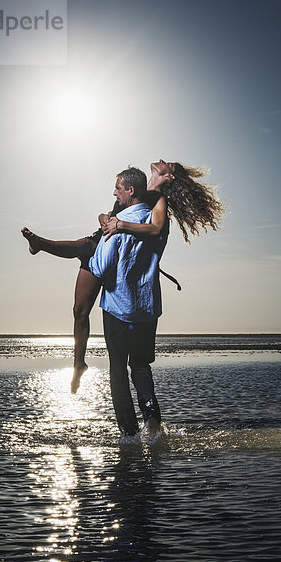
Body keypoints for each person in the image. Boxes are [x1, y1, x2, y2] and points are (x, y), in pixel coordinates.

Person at [21, 159, 225, 393]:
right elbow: (106, 214)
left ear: (169, 177)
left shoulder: (158, 200)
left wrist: (120, 226)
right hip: (104, 240)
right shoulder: (132, 189)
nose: (161, 160)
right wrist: (106, 220)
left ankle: (40, 244)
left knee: (85, 246)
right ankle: (79, 363)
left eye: (168, 164)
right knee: (79, 311)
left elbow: (156, 228)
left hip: (114, 251)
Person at [89, 166, 167, 439]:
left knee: (118, 370)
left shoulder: (116, 225)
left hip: (118, 310)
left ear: (130, 190)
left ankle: (129, 434)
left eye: (118, 188)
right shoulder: (158, 219)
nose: (114, 192)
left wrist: (92, 250)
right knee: (142, 368)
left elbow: (100, 267)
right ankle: (154, 427)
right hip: (146, 310)